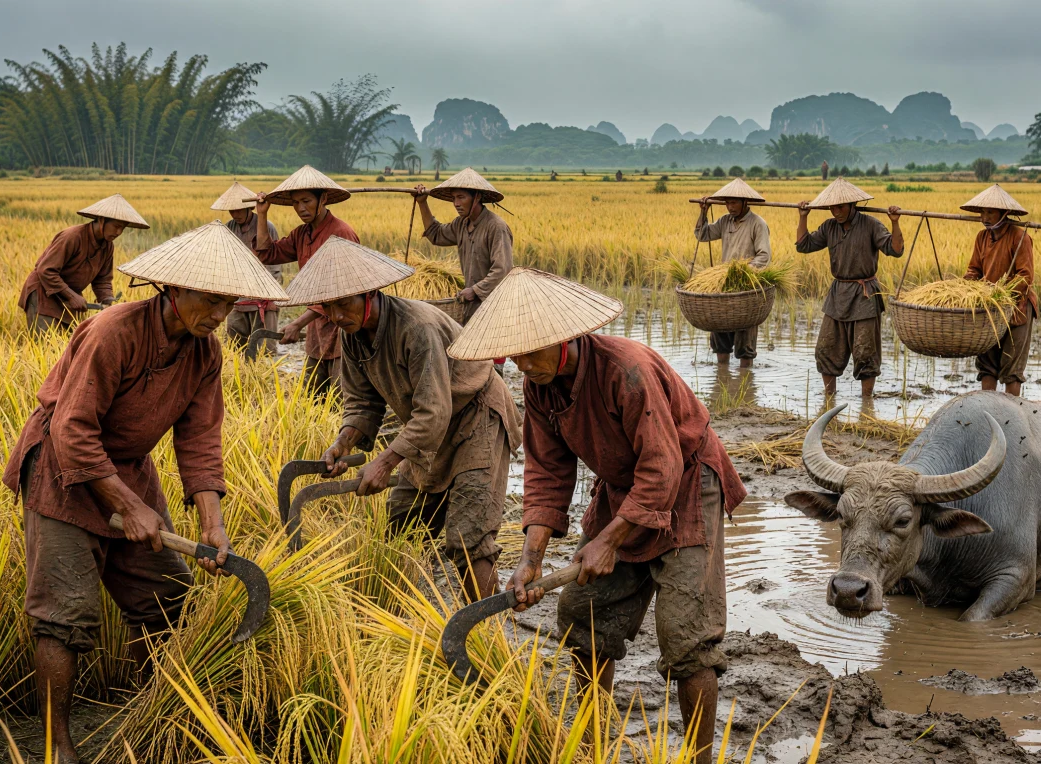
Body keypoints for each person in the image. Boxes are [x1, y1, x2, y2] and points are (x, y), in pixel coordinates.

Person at [1, 221, 289, 764]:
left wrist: (213, 522)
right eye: (209, 300)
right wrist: (127, 506)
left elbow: (200, 440)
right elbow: (72, 430)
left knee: (167, 601)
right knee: (63, 617)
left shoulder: (206, 354)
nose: (218, 315)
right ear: (173, 291)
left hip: (128, 470)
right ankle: (59, 745)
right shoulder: (115, 331)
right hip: (63, 474)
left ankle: (147, 711)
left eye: (228, 303)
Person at [447, 268, 746, 764]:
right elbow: (547, 474)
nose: (523, 364)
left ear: (562, 337)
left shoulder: (625, 370)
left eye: (530, 351)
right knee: (583, 616)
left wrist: (608, 541)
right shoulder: (540, 386)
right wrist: (530, 558)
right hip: (624, 488)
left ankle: (700, 758)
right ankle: (590, 743)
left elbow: (663, 466)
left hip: (689, 484)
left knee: (687, 636)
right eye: (514, 355)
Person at [285, 237, 521, 602]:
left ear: (370, 293)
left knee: (468, 537)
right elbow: (362, 402)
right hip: (430, 429)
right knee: (402, 521)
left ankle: (487, 636)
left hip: (477, 420)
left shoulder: (416, 327)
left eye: (343, 303)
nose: (335, 315)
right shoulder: (352, 335)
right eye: (328, 306)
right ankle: (400, 615)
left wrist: (385, 461)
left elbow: (434, 410)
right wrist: (343, 442)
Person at [252, 165, 359, 399]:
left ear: (324, 199)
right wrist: (261, 214)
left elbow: (341, 291)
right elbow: (266, 253)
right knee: (312, 396)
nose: (301, 208)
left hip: (344, 326)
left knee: (343, 397)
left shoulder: (341, 233)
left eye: (307, 201)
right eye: (296, 203)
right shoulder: (302, 234)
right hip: (316, 329)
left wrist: (297, 323)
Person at [795, 179, 905, 401]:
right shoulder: (829, 227)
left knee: (865, 351)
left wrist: (894, 222)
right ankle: (829, 397)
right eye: (832, 207)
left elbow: (895, 250)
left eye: (841, 207)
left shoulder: (871, 225)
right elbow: (803, 245)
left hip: (864, 294)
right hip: (838, 294)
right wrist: (803, 216)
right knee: (826, 347)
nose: (836, 212)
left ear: (853, 204)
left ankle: (866, 401)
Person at [18, 194, 148, 335]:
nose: (119, 232)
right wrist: (71, 296)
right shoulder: (72, 237)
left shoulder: (107, 246)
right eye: (116, 226)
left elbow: (102, 280)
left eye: (123, 228)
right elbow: (46, 270)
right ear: (102, 220)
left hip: (70, 297)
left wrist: (108, 301)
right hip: (44, 294)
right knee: (44, 345)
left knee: (73, 343)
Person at [961, 184, 1037, 397]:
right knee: (987, 362)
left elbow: (1025, 276)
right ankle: (988, 410)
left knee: (1011, 368)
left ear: (1004, 213)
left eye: (990, 212)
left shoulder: (1019, 237)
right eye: (982, 212)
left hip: (1017, 308)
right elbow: (974, 269)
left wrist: (1000, 294)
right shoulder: (982, 238)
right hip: (989, 307)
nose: (985, 217)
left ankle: (1010, 416)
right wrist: (963, 287)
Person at [412, 167, 513, 326]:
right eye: (453, 198)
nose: (456, 204)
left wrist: (474, 291)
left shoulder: (495, 227)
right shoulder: (461, 224)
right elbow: (436, 234)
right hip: (471, 308)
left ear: (477, 197)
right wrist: (422, 203)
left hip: (495, 309)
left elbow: (502, 271)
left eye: (461, 197)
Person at [693, 177, 772, 368]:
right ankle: (723, 381)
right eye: (727, 202)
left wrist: (743, 273)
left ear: (745, 202)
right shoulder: (724, 222)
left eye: (734, 202)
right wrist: (703, 212)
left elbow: (764, 257)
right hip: (724, 288)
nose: (730, 207)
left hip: (746, 289)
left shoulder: (757, 224)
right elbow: (702, 235)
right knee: (720, 342)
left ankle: (745, 383)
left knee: (745, 346)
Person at [212, 181, 283, 356]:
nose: (235, 214)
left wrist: (271, 296)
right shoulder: (229, 227)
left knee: (264, 350)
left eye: (238, 210)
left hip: (263, 294)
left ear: (248, 207)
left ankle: (262, 381)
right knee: (234, 344)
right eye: (232, 210)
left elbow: (274, 264)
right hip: (238, 294)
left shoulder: (266, 226)